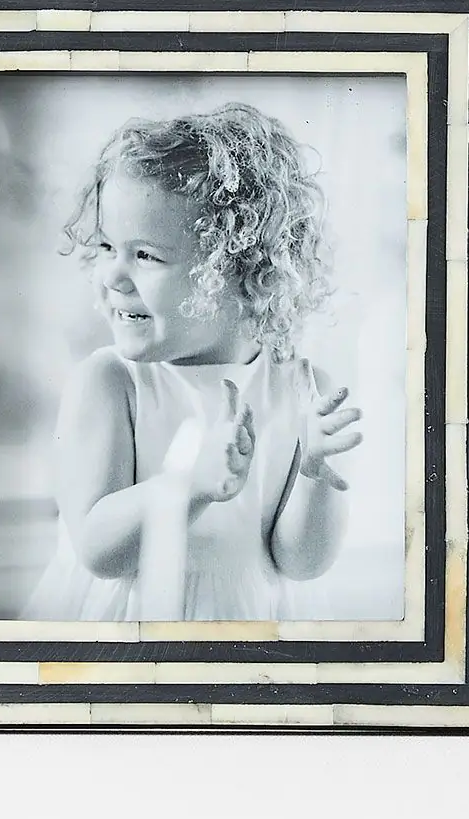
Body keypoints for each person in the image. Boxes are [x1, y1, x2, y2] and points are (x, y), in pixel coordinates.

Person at [22, 102, 362, 622]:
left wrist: (313, 472)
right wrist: (189, 486)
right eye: (108, 246)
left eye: (145, 255)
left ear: (237, 270)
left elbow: (301, 563)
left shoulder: (302, 389)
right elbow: (98, 550)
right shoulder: (111, 383)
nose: (112, 275)